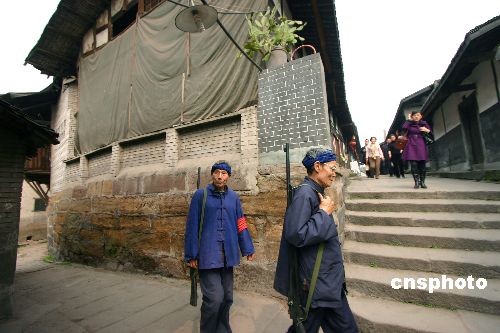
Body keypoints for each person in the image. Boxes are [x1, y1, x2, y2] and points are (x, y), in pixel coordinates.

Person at [274, 148, 358, 333]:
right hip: (316, 283)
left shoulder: (316, 192)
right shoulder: (305, 195)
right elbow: (296, 234)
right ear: (317, 167)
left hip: (326, 281)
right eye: (332, 168)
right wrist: (323, 213)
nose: (334, 173)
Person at [184, 161, 255, 333]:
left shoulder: (234, 198)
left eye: (224, 173)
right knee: (214, 298)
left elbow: (241, 222)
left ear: (228, 176)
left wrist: (247, 247)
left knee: (227, 297)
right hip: (207, 255)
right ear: (212, 174)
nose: (220, 176)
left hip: (228, 255)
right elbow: (192, 225)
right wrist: (191, 254)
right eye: (217, 172)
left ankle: (222, 330)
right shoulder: (201, 195)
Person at [402, 111, 432, 189]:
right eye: (414, 115)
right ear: (412, 116)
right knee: (414, 164)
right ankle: (416, 182)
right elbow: (404, 128)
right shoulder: (409, 124)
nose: (416, 116)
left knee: (422, 164)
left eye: (418, 115)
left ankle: (422, 182)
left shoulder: (424, 123)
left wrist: (426, 130)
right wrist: (408, 120)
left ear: (421, 116)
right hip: (411, 144)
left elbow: (430, 133)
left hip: (421, 144)